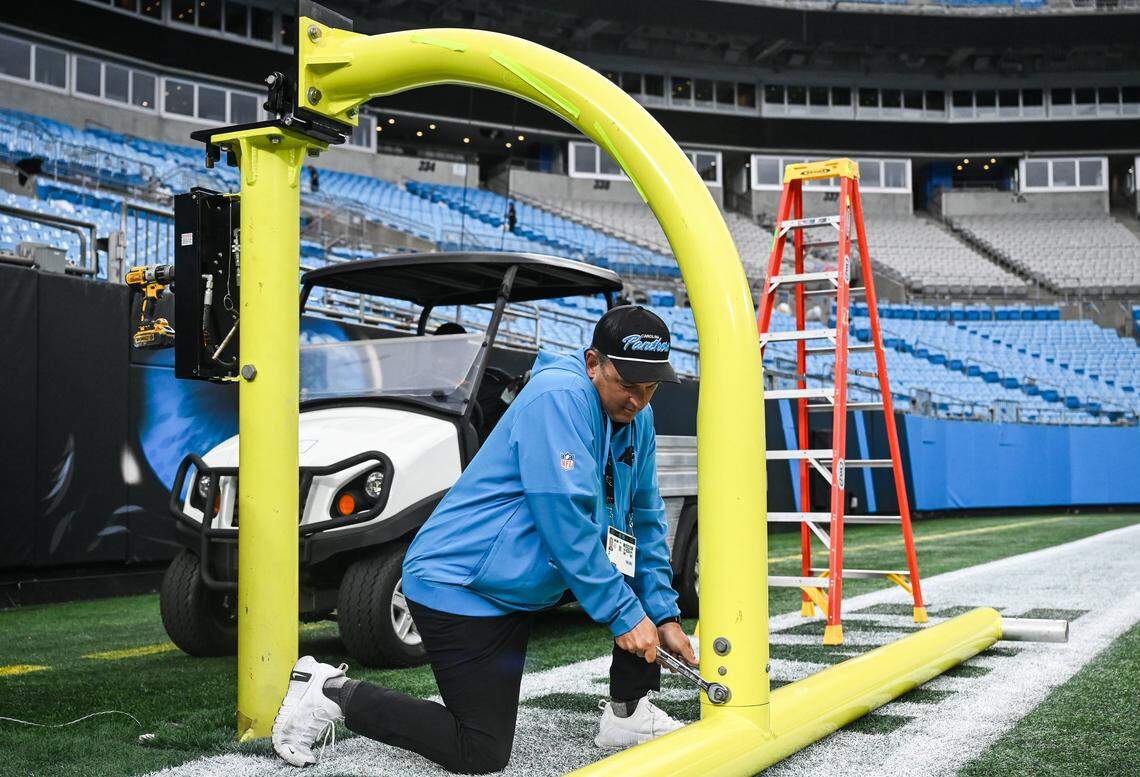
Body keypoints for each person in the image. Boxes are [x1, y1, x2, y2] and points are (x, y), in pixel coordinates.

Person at [271, 305, 696, 772]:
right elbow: (565, 521)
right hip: (459, 584)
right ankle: (327, 690)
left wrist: (663, 613)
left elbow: (644, 516)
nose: (638, 400)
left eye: (650, 387)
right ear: (593, 362)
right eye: (628, 385)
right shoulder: (559, 395)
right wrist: (622, 613)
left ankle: (627, 711)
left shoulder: (639, 417)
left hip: (513, 587)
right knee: (479, 751)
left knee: (628, 561)